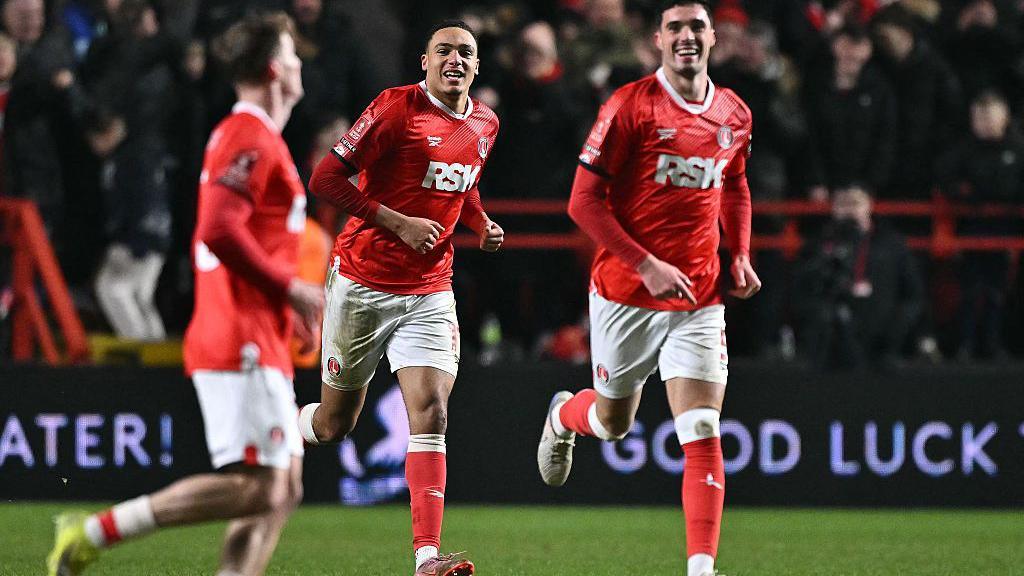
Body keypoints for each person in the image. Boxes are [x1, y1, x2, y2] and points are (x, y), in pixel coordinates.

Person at [47, 12, 324, 576]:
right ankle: (93, 531)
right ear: (274, 69)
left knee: (283, 487)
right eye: (292, 55)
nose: (300, 65)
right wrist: (290, 289)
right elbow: (217, 230)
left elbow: (252, 238)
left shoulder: (260, 137)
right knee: (261, 488)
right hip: (236, 332)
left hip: (258, 327)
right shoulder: (246, 134)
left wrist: (284, 303)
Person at [535, 3, 760, 576]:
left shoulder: (734, 111)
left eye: (696, 27)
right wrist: (646, 262)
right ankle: (565, 417)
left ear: (713, 38)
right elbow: (581, 202)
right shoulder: (629, 107)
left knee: (702, 425)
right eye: (675, 28)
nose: (687, 36)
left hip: (699, 295)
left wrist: (740, 254)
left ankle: (701, 569)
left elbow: (734, 185)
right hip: (625, 294)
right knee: (613, 425)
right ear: (658, 40)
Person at [297, 19, 502, 576]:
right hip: (362, 282)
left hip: (429, 288)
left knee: (431, 410)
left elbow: (464, 177)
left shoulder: (484, 122)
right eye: (444, 50)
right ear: (425, 61)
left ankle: (426, 558)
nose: (455, 59)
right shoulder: (394, 108)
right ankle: (287, 427)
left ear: (477, 66)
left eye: (466, 52)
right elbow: (325, 178)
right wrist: (396, 221)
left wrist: (480, 222)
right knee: (336, 425)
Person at [793, 185, 925, 370]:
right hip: (830, 344)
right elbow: (801, 290)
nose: (849, 211)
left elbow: (913, 295)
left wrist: (895, 330)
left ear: (869, 205)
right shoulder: (817, 244)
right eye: (842, 204)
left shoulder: (892, 244)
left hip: (883, 342)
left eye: (855, 203)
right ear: (833, 208)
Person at [936, 90, 1024, 360]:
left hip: (1005, 229)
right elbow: (945, 179)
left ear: (1004, 117)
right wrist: (967, 194)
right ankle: (965, 344)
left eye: (990, 116)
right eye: (980, 116)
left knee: (999, 290)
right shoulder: (963, 150)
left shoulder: (1017, 149)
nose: (985, 122)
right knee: (970, 289)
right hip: (971, 228)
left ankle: (996, 344)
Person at [804, 24, 896, 201]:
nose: (851, 57)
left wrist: (868, 185)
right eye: (847, 50)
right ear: (835, 48)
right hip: (823, 188)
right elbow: (810, 137)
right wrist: (816, 180)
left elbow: (885, 139)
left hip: (865, 188)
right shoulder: (816, 86)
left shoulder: (879, 90)